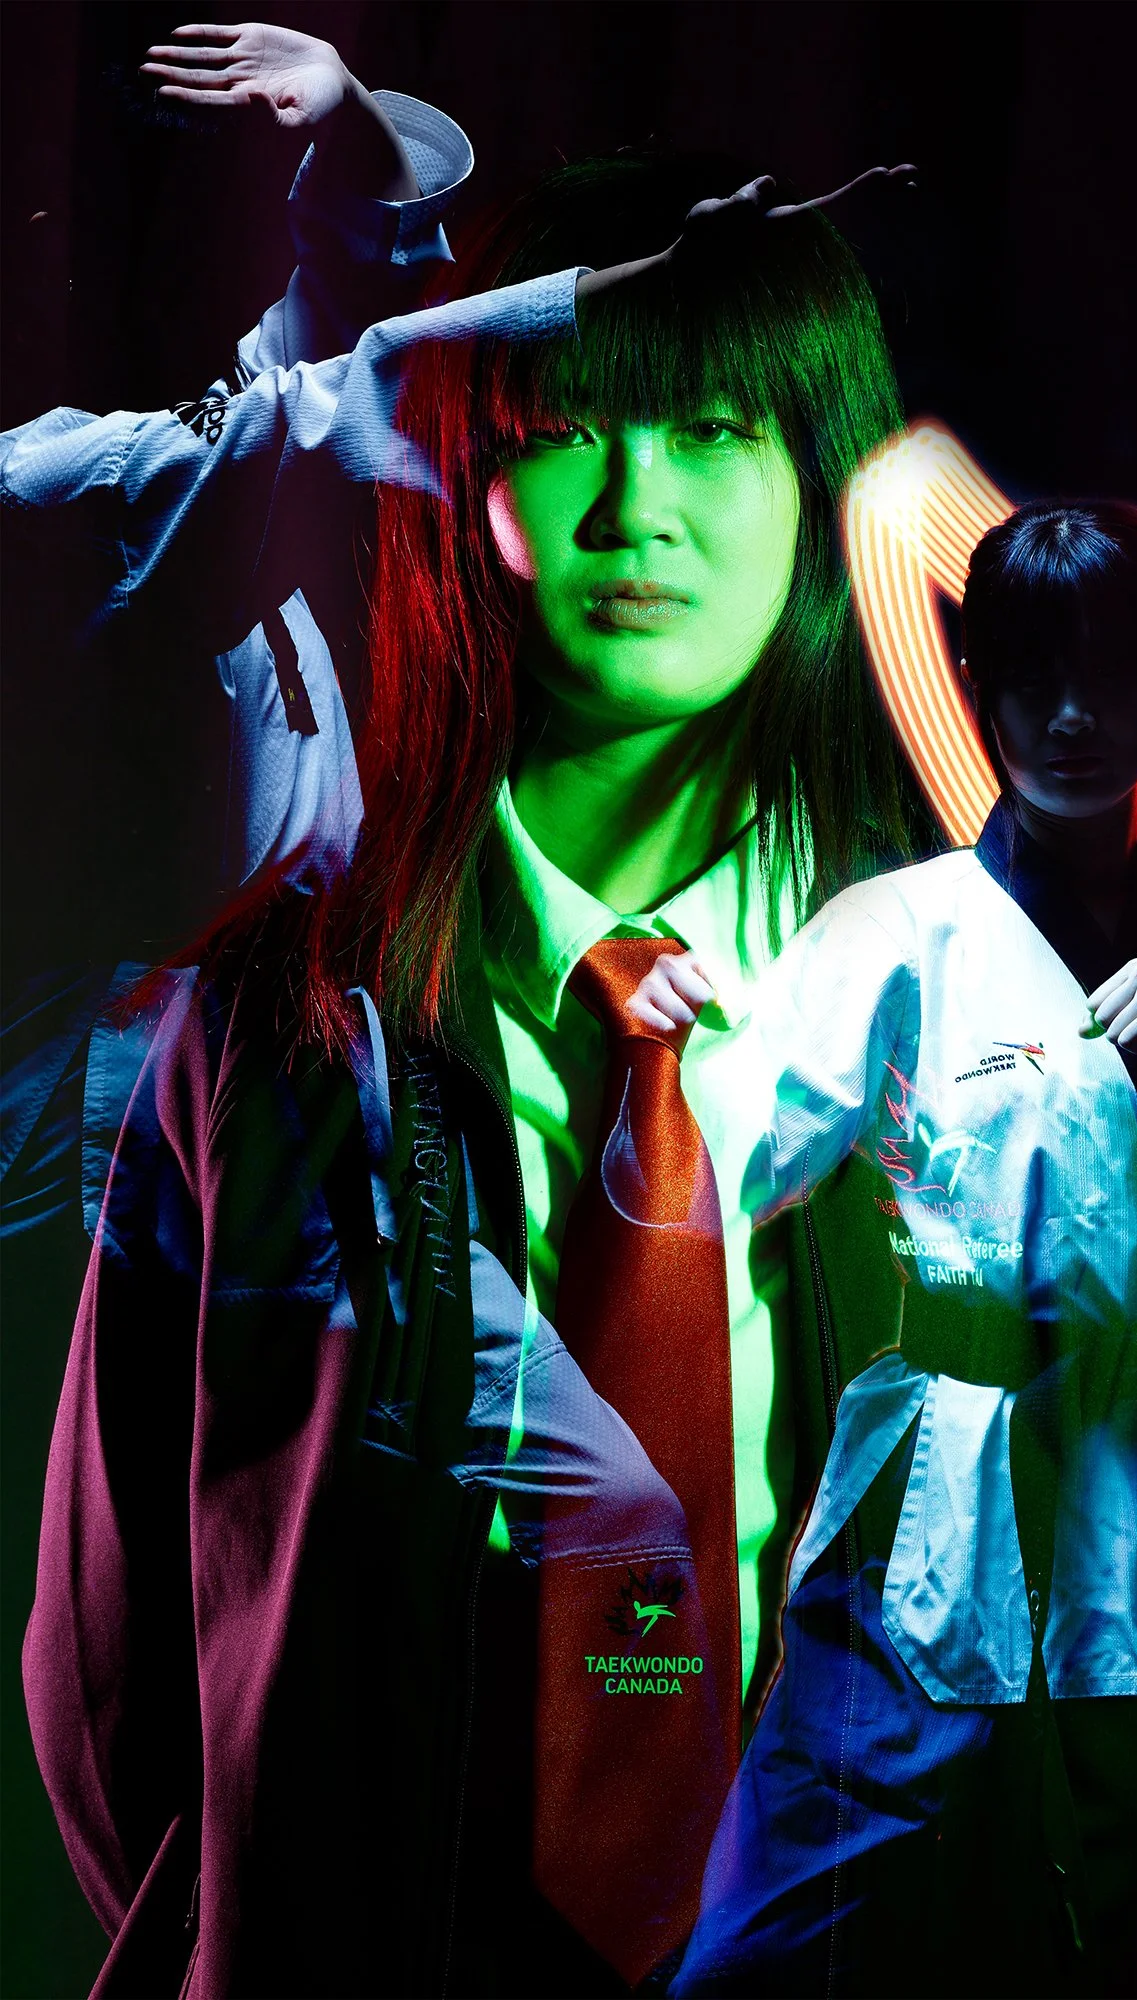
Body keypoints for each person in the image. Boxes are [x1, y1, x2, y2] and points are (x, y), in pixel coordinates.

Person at [9, 29, 919, 1992]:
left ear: (819, 475)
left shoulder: (963, 1022)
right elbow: (108, 1660)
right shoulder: (262, 1034)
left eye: (712, 431)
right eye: (571, 427)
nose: (635, 512)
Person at [627, 502, 1137, 1997]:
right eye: (1029, 675)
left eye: (1105, 671)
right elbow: (729, 1156)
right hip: (948, 1500)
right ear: (975, 682)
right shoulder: (894, 937)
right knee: (788, 1930)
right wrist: (667, 1031)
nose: (1069, 717)